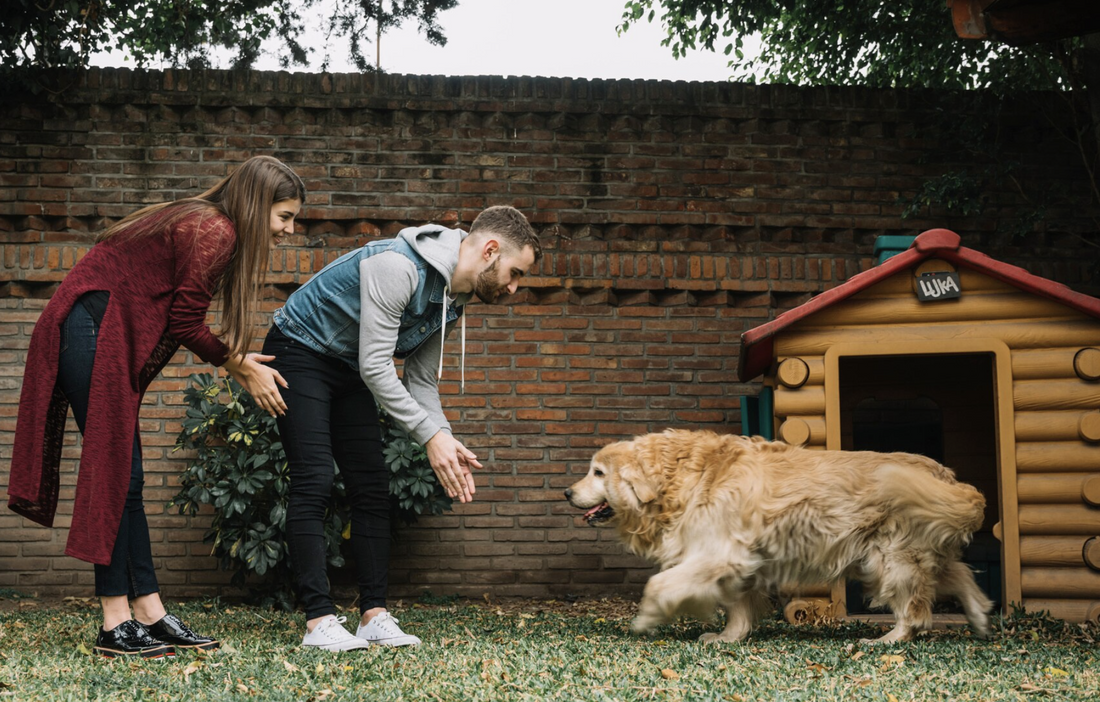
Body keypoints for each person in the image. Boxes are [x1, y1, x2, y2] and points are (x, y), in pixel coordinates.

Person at [7, 155, 305, 659]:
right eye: (284, 217)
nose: (289, 230)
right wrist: (239, 366)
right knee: (116, 471)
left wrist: (235, 359)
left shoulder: (201, 221)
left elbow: (174, 313)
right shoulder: (214, 229)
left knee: (130, 477)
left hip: (98, 333)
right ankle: (114, 621)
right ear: (257, 207)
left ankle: (148, 609)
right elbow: (186, 323)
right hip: (90, 332)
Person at [262, 205, 541, 651]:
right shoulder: (399, 266)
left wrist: (443, 437)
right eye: (514, 273)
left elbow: (421, 380)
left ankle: (373, 615)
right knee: (314, 478)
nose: (513, 287)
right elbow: (377, 366)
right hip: (299, 348)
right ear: (490, 250)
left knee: (371, 485)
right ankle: (318, 620)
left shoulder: (454, 297)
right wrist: (428, 436)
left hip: (348, 363)